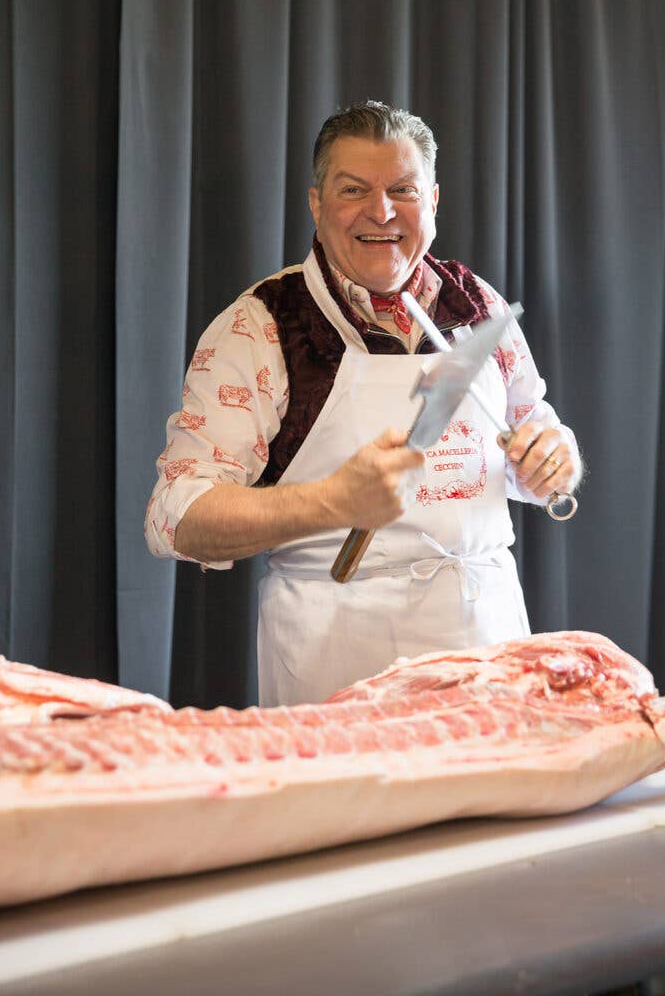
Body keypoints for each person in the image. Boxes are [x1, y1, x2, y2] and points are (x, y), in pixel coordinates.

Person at [145, 101, 582, 707]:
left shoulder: (477, 303)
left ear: (432, 201)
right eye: (355, 190)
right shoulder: (262, 327)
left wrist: (552, 457)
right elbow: (177, 517)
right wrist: (330, 502)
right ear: (317, 204)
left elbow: (531, 427)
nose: (381, 212)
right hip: (338, 661)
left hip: (487, 650)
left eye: (403, 189)